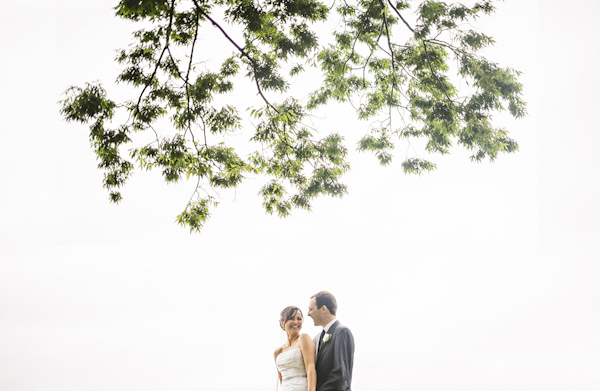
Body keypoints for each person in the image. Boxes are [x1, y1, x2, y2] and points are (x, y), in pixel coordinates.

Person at [308, 291, 354, 391]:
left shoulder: (341, 332)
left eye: (311, 309)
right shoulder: (316, 339)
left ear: (323, 309)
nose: (308, 314)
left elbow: (340, 373)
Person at [274, 306, 317, 391]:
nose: (296, 322)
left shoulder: (303, 338)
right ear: (282, 323)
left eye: (299, 319)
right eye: (292, 318)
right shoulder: (278, 352)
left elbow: (310, 367)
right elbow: (281, 379)